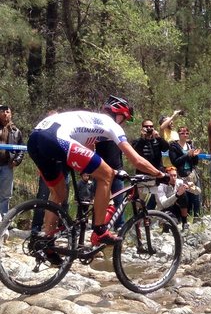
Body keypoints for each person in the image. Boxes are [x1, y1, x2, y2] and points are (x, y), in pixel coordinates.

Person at [27, 95, 165, 250]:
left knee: (58, 194)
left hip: (35, 137)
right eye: (125, 119)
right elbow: (136, 160)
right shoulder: (111, 125)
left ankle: (47, 242)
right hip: (56, 138)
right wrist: (160, 174)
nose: (124, 123)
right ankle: (99, 230)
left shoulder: (91, 122)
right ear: (119, 114)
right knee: (107, 174)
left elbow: (88, 151)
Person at [132, 118, 169, 209]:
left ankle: (160, 220)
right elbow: (135, 152)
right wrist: (143, 139)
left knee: (161, 201)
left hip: (157, 175)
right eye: (146, 126)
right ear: (142, 128)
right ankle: (139, 222)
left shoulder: (157, 140)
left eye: (151, 126)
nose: (149, 128)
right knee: (140, 202)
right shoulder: (138, 141)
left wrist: (158, 138)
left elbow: (166, 148)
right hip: (142, 176)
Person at [168, 126, 201, 219]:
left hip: (192, 174)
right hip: (181, 175)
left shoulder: (190, 145)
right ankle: (182, 218)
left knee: (196, 196)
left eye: (187, 133)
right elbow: (175, 162)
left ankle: (197, 217)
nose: (185, 135)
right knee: (183, 198)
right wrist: (187, 155)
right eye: (182, 133)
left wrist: (194, 156)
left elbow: (195, 162)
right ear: (178, 134)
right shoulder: (173, 146)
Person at [154, 166, 197, 231]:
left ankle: (184, 223)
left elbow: (198, 192)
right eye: (171, 176)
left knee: (183, 194)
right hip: (164, 210)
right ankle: (164, 224)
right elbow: (164, 204)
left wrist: (191, 187)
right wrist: (177, 195)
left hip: (176, 209)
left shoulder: (179, 182)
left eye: (175, 175)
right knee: (170, 226)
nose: (173, 178)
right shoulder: (160, 186)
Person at [0, 104, 25, 217]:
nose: (5, 113)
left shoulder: (16, 131)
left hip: (7, 167)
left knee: (5, 196)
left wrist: (17, 161)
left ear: (11, 114)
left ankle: (3, 223)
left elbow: (21, 149)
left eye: (7, 111)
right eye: (2, 111)